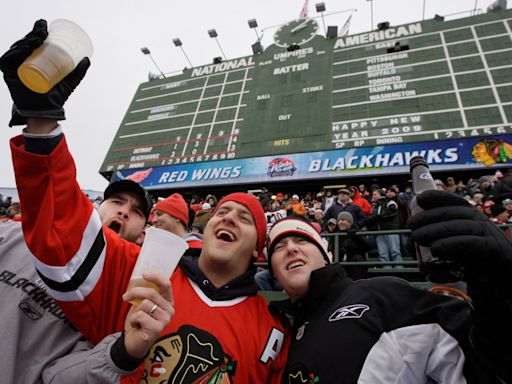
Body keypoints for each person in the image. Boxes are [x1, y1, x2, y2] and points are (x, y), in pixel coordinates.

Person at [3, 20, 289, 383]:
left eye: (244, 218)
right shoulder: (143, 270)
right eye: (222, 212)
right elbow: (64, 236)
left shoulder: (274, 328)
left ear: (258, 250)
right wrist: (41, 123)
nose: (228, 219)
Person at [266, 191, 512, 383]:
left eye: (301, 240)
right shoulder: (276, 333)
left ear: (328, 255)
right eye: (278, 246)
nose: (290, 248)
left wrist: (500, 296)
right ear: (272, 270)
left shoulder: (383, 295)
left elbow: (483, 363)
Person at [0, 220, 174, 383]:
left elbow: (58, 378)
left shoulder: (119, 303)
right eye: (117, 201)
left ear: (141, 236)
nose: (124, 212)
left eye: (136, 211)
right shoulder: (15, 234)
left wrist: (122, 353)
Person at [330, 211, 371, 280]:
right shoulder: (335, 235)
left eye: (343, 220)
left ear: (350, 222)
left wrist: (356, 237)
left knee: (358, 258)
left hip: (354, 265)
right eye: (339, 220)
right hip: (341, 264)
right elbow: (332, 251)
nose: (340, 222)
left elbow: (367, 246)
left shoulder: (358, 233)